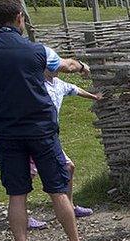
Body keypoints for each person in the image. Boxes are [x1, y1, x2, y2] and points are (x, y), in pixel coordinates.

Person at [0, 0, 95, 241]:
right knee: (57, 189)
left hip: (6, 131)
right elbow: (67, 66)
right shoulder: (37, 50)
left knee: (17, 194)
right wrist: (82, 65)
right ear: (18, 18)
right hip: (40, 129)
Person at [26, 69, 102, 229]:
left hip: (50, 137)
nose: (56, 70)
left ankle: (70, 207)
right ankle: (24, 217)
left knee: (68, 167)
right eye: (52, 67)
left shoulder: (59, 84)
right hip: (33, 135)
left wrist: (93, 97)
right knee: (28, 175)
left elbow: (76, 89)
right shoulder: (36, 85)